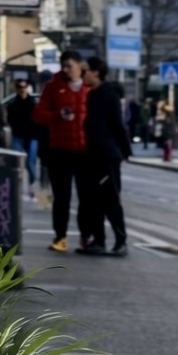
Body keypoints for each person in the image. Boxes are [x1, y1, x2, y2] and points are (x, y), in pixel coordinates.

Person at [33, 50, 90, 252]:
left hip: (85, 151)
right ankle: (60, 236)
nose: (66, 70)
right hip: (60, 150)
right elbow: (39, 114)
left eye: (70, 66)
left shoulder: (89, 87)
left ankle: (86, 237)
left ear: (80, 66)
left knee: (86, 197)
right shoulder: (53, 87)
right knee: (61, 197)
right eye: (63, 66)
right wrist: (57, 115)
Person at [75, 56, 131, 256]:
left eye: (85, 71)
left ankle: (120, 241)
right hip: (91, 155)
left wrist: (125, 150)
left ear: (96, 72)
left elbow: (117, 125)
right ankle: (98, 240)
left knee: (110, 199)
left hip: (106, 155)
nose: (82, 75)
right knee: (93, 200)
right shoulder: (92, 94)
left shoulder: (108, 94)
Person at [3, 77, 41, 198]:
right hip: (18, 135)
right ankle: (16, 187)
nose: (22, 89)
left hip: (32, 136)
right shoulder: (13, 104)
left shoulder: (33, 103)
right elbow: (9, 120)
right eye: (20, 87)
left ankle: (32, 186)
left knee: (30, 163)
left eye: (24, 87)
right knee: (16, 162)